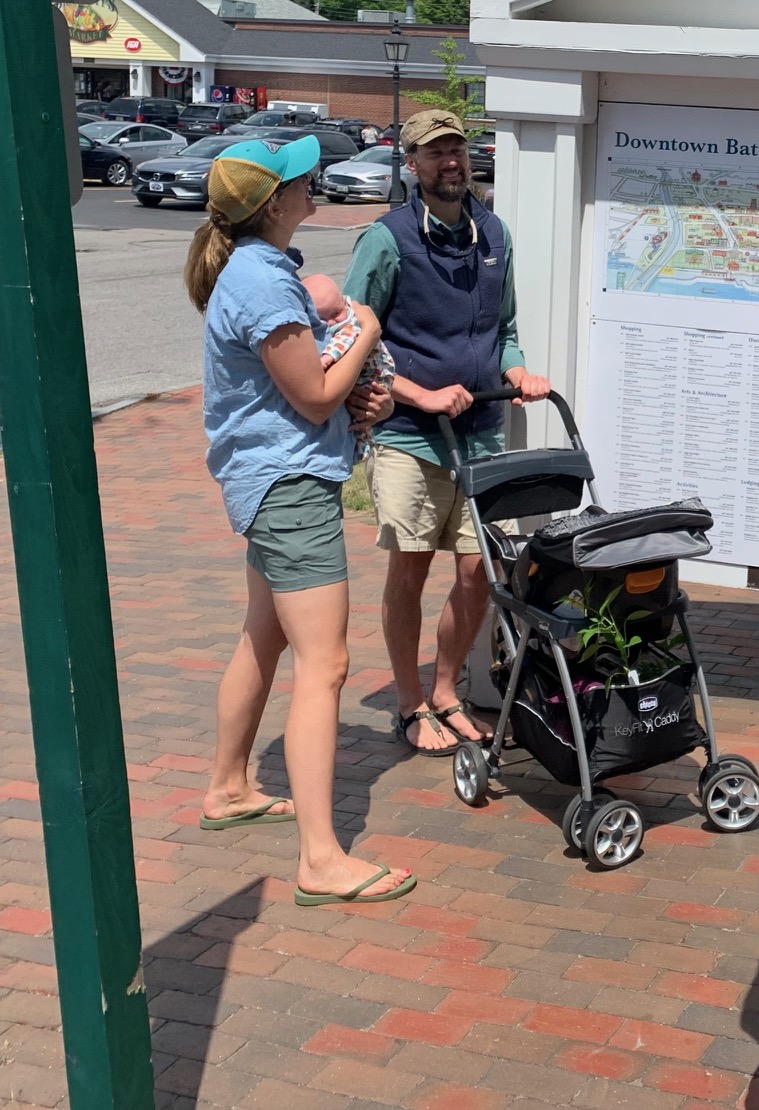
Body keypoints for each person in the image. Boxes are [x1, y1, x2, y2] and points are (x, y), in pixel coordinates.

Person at [188, 136, 414, 907]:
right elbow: (314, 394)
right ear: (274, 204)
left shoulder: (261, 271)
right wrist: (370, 334)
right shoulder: (260, 281)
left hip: (278, 481)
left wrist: (367, 395)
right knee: (327, 667)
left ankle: (227, 787)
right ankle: (321, 860)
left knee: (266, 633)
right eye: (297, 179)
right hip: (287, 489)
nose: (309, 183)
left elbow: (315, 389)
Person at [342, 108, 551, 757]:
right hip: (410, 436)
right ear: (411, 166)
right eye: (434, 153)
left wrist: (517, 370)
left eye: (456, 149)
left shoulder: (493, 234)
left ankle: (445, 690)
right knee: (410, 570)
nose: (449, 162)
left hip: (482, 432)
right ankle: (408, 703)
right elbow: (350, 338)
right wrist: (420, 393)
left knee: (478, 572)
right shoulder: (387, 239)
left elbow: (504, 328)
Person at [302, 273, 396, 463]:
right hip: (364, 373)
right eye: (322, 318)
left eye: (336, 314)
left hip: (375, 372)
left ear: (344, 303)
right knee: (357, 414)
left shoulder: (352, 321)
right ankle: (361, 445)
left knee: (362, 412)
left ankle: (362, 447)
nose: (331, 322)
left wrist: (326, 359)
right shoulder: (338, 316)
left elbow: (344, 342)